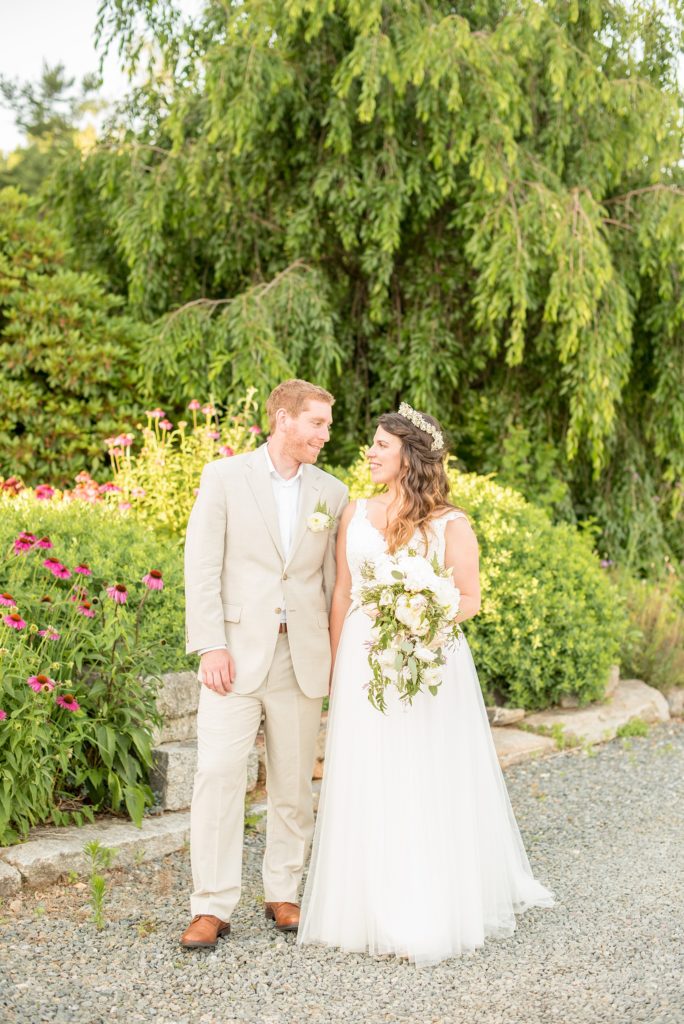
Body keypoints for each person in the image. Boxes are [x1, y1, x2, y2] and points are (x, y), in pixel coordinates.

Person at [298, 404, 554, 965]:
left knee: (422, 771)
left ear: (409, 456)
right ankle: (364, 902)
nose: (369, 452)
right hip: (365, 658)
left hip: (428, 659)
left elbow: (469, 599)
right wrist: (340, 666)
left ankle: (427, 899)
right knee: (370, 770)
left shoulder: (450, 523)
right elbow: (342, 591)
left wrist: (423, 616)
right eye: (372, 443)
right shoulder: (355, 512)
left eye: (381, 446)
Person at [181, 379, 348, 948]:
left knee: (294, 785)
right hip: (233, 655)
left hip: (302, 658)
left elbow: (331, 584)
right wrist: (209, 644)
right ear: (283, 419)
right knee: (218, 776)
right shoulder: (224, 477)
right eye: (318, 424)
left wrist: (335, 658)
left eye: (327, 425)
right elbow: (201, 565)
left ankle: (283, 891)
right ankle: (210, 904)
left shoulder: (333, 492)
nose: (325, 435)